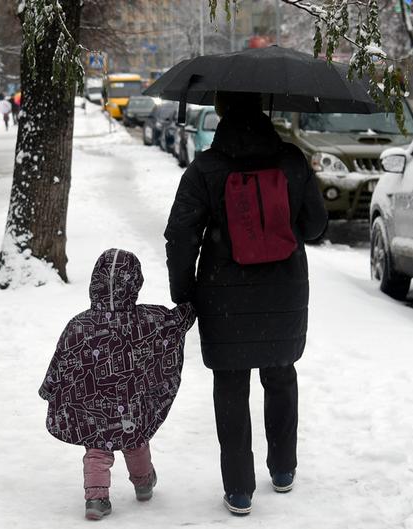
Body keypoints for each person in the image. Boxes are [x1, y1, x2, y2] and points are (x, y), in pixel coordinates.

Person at [164, 91, 328, 516]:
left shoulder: (206, 168)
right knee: (280, 375)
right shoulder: (291, 160)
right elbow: (314, 226)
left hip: (222, 295)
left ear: (221, 111)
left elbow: (181, 236)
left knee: (231, 386)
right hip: (284, 292)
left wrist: (183, 293)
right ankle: (284, 469)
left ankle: (239, 490)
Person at [38, 248, 196, 521]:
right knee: (136, 441)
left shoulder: (79, 326)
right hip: (131, 407)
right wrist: (194, 303)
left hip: (91, 409)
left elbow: (62, 359)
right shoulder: (149, 320)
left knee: (97, 449)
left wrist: (49, 387)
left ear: (95, 282)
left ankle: (96, 498)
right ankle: (144, 482)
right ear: (135, 283)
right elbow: (177, 322)